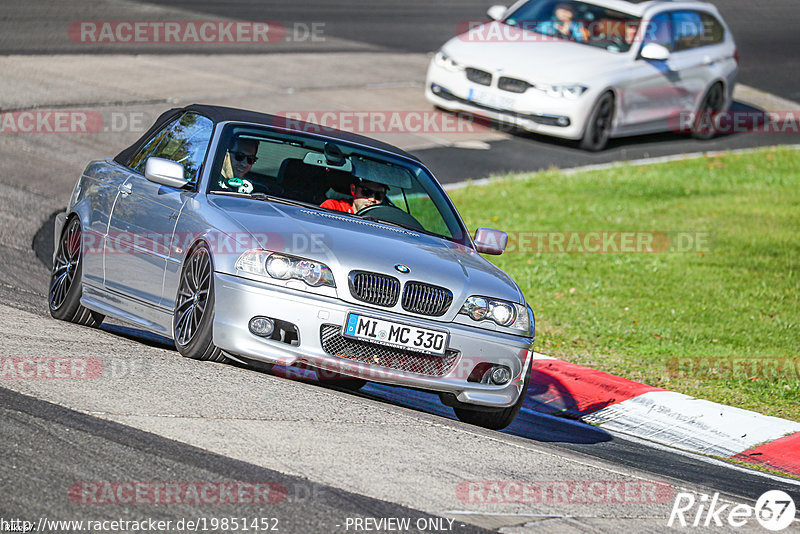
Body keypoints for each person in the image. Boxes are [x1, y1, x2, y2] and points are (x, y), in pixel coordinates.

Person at [321, 178, 388, 214]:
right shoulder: (333, 207)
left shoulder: (385, 220)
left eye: (379, 195)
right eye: (366, 192)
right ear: (353, 189)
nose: (372, 199)